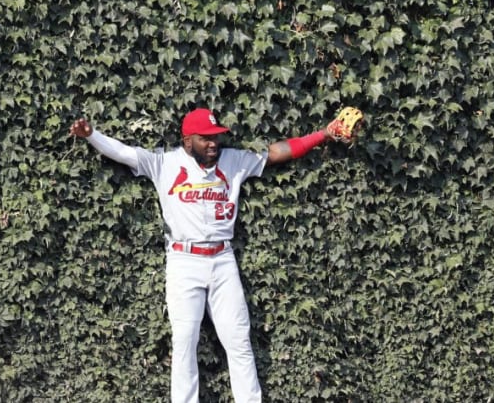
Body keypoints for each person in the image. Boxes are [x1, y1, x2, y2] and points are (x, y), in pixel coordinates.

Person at [68, 107, 360, 403]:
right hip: (184, 261)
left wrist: (323, 134)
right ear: (187, 141)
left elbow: (275, 153)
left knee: (238, 340)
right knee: (184, 341)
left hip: (222, 260)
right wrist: (91, 135)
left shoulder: (232, 160)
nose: (213, 143)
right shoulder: (164, 163)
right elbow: (124, 153)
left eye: (215, 137)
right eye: (205, 138)